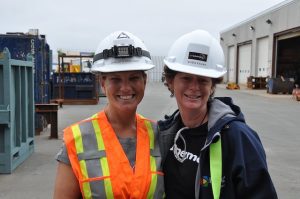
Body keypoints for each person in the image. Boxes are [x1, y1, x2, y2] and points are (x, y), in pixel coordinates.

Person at [158, 29, 277, 199]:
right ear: (170, 81)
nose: (194, 87)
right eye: (186, 78)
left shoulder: (238, 137)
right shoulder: (166, 132)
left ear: (212, 86)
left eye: (203, 80)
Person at [53, 31, 164, 199]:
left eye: (134, 78)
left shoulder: (160, 135)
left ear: (144, 81)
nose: (125, 88)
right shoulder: (77, 139)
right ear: (102, 83)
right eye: (116, 79)